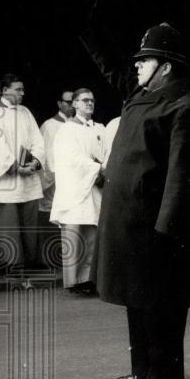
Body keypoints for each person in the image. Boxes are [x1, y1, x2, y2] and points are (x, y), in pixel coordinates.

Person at [96, 23, 190, 379]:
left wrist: (166, 230)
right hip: (130, 222)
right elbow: (111, 66)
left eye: (145, 60)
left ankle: (164, 376)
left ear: (166, 66)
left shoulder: (183, 108)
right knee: (137, 299)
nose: (137, 67)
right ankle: (142, 369)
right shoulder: (143, 96)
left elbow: (181, 178)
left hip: (157, 229)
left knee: (161, 304)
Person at [0, 74, 46, 272]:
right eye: (18, 89)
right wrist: (15, 167)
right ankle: (14, 265)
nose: (23, 93)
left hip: (27, 176)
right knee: (8, 223)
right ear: (5, 90)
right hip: (5, 178)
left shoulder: (25, 112)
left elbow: (38, 140)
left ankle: (30, 263)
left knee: (29, 221)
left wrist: (35, 163)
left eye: (23, 89)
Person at [49, 88, 106, 295]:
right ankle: (74, 281)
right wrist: (98, 168)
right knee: (74, 235)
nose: (89, 104)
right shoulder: (66, 130)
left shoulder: (99, 128)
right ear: (75, 104)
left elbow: (106, 154)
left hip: (93, 186)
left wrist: (102, 168)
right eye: (84, 101)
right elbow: (70, 159)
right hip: (74, 189)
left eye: (92, 100)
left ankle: (88, 279)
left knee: (93, 235)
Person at [39, 89, 74, 217]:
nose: (72, 105)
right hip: (55, 183)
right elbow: (48, 161)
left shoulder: (77, 124)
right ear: (59, 104)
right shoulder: (49, 126)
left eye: (74, 102)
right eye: (68, 102)